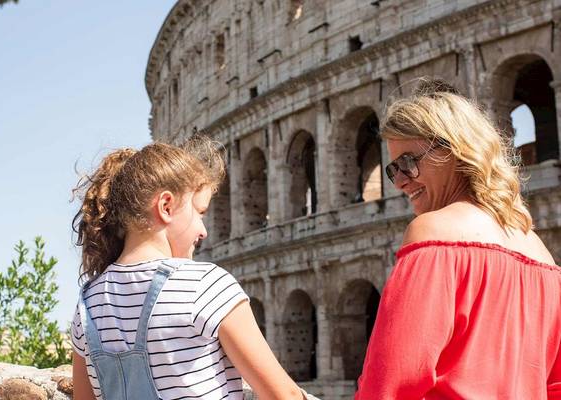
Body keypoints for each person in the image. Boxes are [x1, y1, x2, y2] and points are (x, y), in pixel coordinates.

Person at [355, 82, 561, 399]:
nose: (400, 182)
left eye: (408, 163)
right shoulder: (541, 254)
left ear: (452, 149)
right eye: (393, 170)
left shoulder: (433, 233)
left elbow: (391, 384)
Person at [70, 138, 308, 400]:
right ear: (166, 206)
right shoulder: (206, 286)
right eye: (200, 212)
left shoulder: (87, 303)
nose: (203, 231)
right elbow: (284, 396)